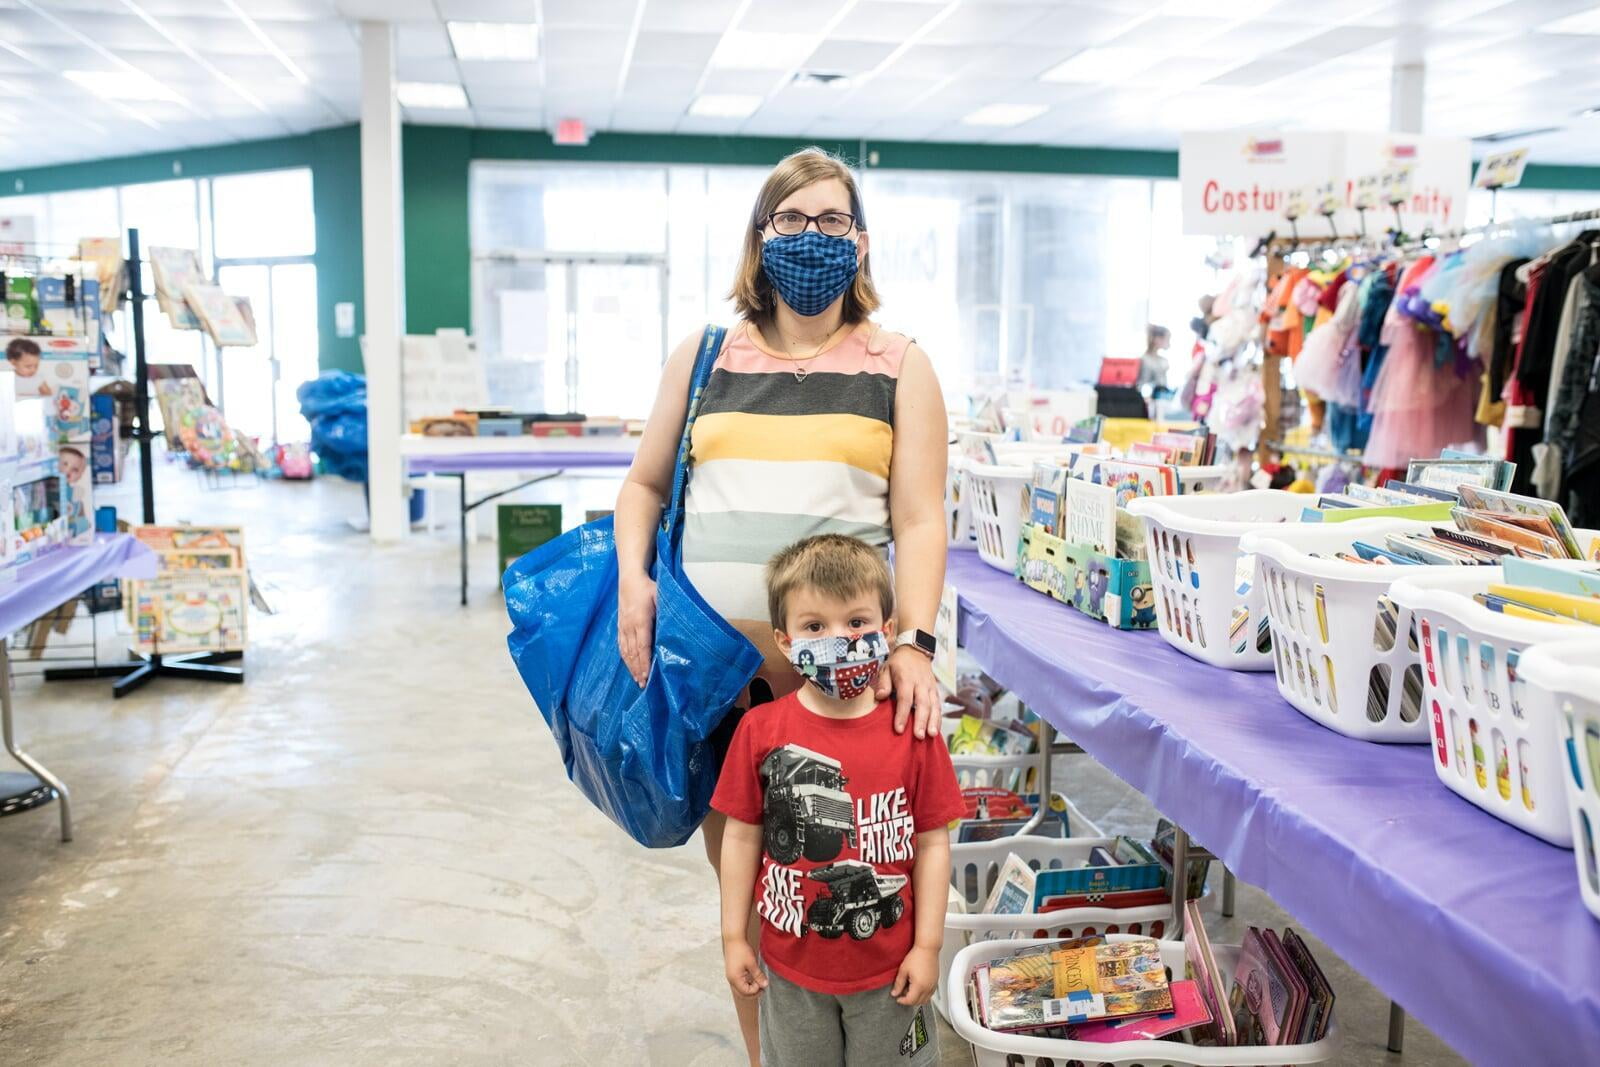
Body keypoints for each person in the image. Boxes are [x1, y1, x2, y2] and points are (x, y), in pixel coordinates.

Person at [612, 147, 948, 1064]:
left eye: (832, 220)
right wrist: (634, 577)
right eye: (790, 220)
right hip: (721, 687)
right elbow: (643, 486)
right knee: (757, 899)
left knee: (850, 893)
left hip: (846, 690)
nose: (811, 237)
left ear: (862, 241)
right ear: (761, 238)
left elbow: (919, 520)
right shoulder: (708, 354)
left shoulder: (899, 365)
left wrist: (914, 643)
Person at [711, 534, 962, 1067]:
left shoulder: (912, 729)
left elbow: (933, 843)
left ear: (888, 631)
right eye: (815, 627)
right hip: (789, 971)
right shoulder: (760, 731)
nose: (839, 640)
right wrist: (735, 935)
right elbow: (740, 834)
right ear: (785, 640)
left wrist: (928, 946)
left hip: (891, 973)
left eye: (856, 622)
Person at [1136, 324, 1171, 393]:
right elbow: (1142, 384)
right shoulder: (1145, 360)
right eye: (1167, 339)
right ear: (1157, 339)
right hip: (1150, 399)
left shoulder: (1163, 360)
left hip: (1162, 397)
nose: (1169, 343)